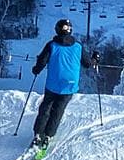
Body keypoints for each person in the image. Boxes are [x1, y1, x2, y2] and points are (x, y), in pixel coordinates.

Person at [30, 18, 84, 152]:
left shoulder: (52, 45)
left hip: (53, 84)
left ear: (57, 30)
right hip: (70, 85)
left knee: (46, 108)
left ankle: (38, 134)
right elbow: (88, 63)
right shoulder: (78, 46)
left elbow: (42, 61)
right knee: (58, 111)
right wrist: (95, 59)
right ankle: (48, 135)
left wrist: (36, 69)